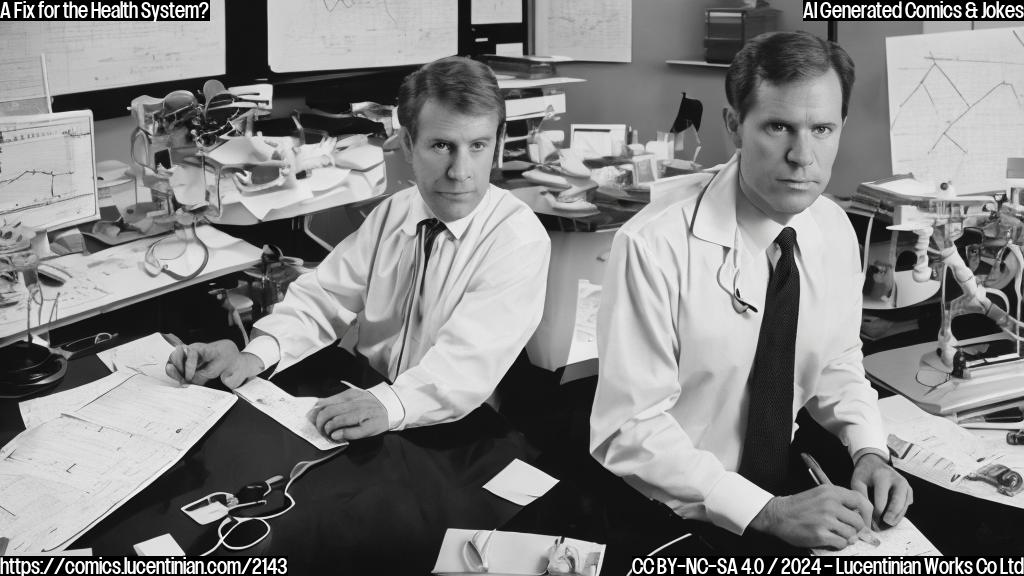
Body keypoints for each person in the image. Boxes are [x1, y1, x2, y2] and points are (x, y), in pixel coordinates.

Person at [589, 31, 912, 551]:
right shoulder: (653, 244)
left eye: (822, 129)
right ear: (735, 126)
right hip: (670, 511)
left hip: (781, 490)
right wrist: (765, 512)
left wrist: (869, 449)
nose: (802, 156)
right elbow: (627, 428)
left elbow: (836, 360)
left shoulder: (833, 228)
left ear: (841, 129)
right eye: (778, 127)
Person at [167, 56, 551, 441]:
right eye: (441, 146)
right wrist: (253, 355)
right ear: (406, 145)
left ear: (497, 145)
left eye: (478, 146)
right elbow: (324, 298)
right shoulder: (397, 212)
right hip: (371, 399)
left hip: (457, 426)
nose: (460, 171)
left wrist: (390, 405)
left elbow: (465, 367)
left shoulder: (517, 240)